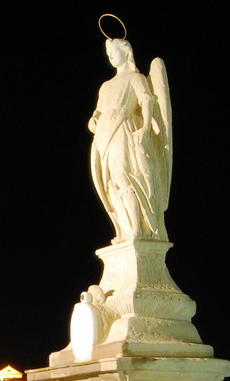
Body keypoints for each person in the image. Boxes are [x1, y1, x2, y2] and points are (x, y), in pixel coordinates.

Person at [88, 38, 172, 243]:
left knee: (125, 177)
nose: (110, 57)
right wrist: (93, 121)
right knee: (110, 183)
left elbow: (146, 100)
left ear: (125, 52)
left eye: (113, 52)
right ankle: (125, 230)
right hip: (104, 137)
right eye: (108, 54)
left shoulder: (135, 77)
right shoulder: (105, 86)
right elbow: (97, 113)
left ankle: (138, 229)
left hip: (124, 132)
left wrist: (144, 129)